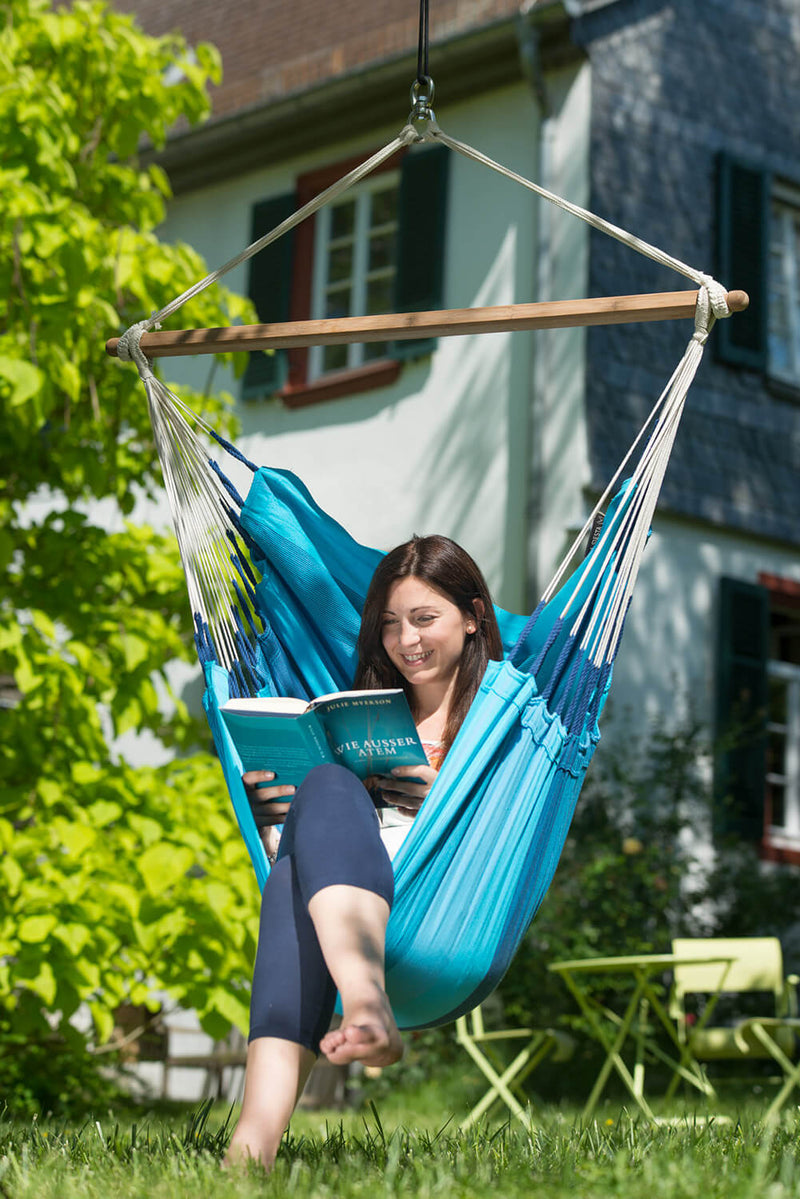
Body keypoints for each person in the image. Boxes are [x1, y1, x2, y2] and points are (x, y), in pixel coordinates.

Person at [224, 534, 503, 1169]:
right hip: (338, 891)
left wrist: (438, 798)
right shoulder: (369, 715)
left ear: (471, 616)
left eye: (425, 619)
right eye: (389, 625)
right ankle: (250, 1150)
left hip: (432, 906)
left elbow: (496, 832)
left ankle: (365, 1008)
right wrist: (270, 801)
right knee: (311, 813)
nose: (407, 641)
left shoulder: (503, 719)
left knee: (321, 804)